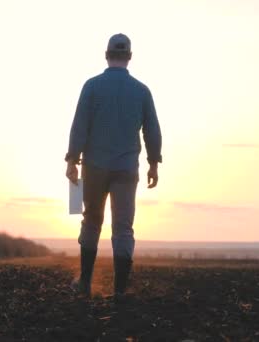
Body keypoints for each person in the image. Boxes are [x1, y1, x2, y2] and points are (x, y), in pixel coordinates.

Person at [64, 33, 163, 300]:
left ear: (107, 55)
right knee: (123, 228)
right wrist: (154, 163)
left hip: (94, 167)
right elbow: (152, 131)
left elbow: (79, 126)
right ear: (129, 57)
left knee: (92, 221)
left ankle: (84, 283)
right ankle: (120, 291)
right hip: (126, 169)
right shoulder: (142, 91)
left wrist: (72, 160)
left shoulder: (92, 86)